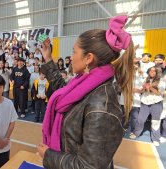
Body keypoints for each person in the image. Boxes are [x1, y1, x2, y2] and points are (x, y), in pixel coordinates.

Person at [36, 15, 135, 168]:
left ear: (88, 58)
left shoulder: (103, 106)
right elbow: (63, 91)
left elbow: (89, 166)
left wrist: (49, 155)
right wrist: (48, 58)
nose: (71, 57)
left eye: (74, 52)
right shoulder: (86, 83)